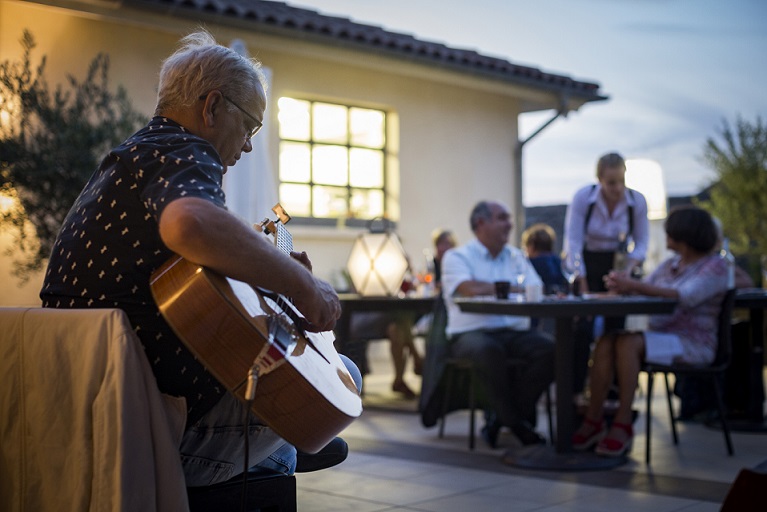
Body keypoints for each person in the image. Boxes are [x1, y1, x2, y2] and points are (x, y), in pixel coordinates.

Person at [39, 30, 358, 485]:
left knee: (302, 409)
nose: (247, 146)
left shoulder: (135, 156)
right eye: (249, 127)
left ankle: (279, 448)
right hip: (160, 436)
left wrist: (267, 270)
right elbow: (190, 224)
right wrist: (302, 285)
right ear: (211, 108)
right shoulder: (186, 148)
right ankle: (274, 455)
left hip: (94, 418)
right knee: (344, 378)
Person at [571, 205, 729, 457]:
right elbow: (644, 288)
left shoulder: (715, 267)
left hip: (693, 344)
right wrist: (617, 288)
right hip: (658, 339)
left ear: (684, 235)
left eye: (670, 233)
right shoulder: (670, 265)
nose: (665, 238)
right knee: (607, 341)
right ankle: (594, 419)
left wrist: (633, 285)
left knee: (628, 342)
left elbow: (685, 297)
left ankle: (622, 423)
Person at [442, 201, 555, 447]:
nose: (510, 223)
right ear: (481, 223)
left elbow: (536, 289)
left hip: (512, 331)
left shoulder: (516, 256)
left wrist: (493, 287)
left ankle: (501, 418)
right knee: (488, 351)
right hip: (469, 333)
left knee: (552, 350)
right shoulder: (457, 256)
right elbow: (468, 289)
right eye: (502, 218)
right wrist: (511, 287)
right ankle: (516, 424)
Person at [563, 152, 650, 331]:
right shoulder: (583, 198)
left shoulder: (637, 201)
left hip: (619, 265)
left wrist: (626, 272)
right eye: (611, 183)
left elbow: (641, 242)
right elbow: (573, 241)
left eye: (622, 181)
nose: (618, 188)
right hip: (588, 264)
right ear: (599, 179)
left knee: (616, 325)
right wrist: (581, 278)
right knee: (582, 324)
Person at [522, 223, 592, 395]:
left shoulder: (528, 264)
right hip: (564, 326)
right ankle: (572, 392)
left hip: (538, 328)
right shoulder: (561, 264)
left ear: (530, 246)